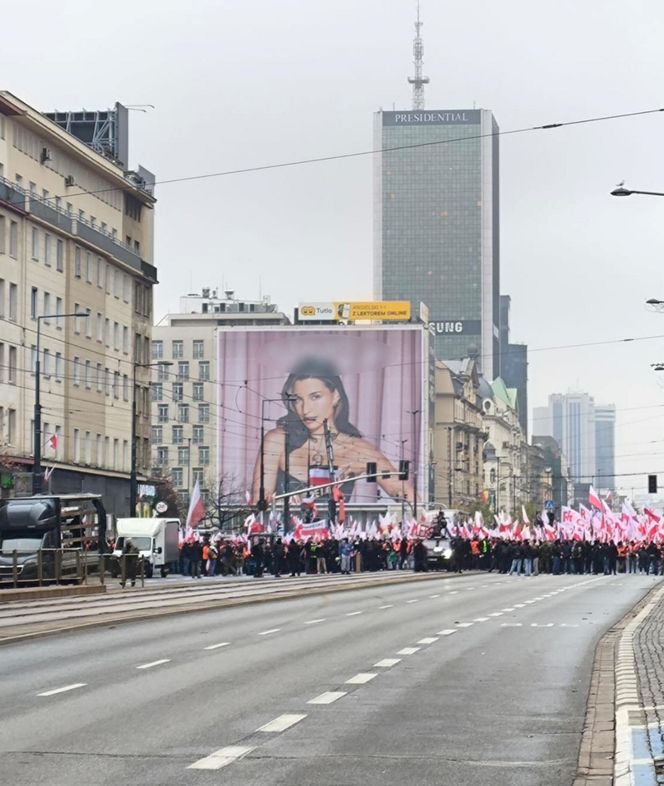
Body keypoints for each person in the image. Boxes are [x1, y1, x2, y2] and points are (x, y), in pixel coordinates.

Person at [251, 358, 417, 507]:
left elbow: (404, 492)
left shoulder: (359, 450)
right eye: (297, 400)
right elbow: (259, 501)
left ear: (336, 396)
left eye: (315, 397)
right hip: (286, 536)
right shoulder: (278, 441)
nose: (305, 409)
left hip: (335, 535)